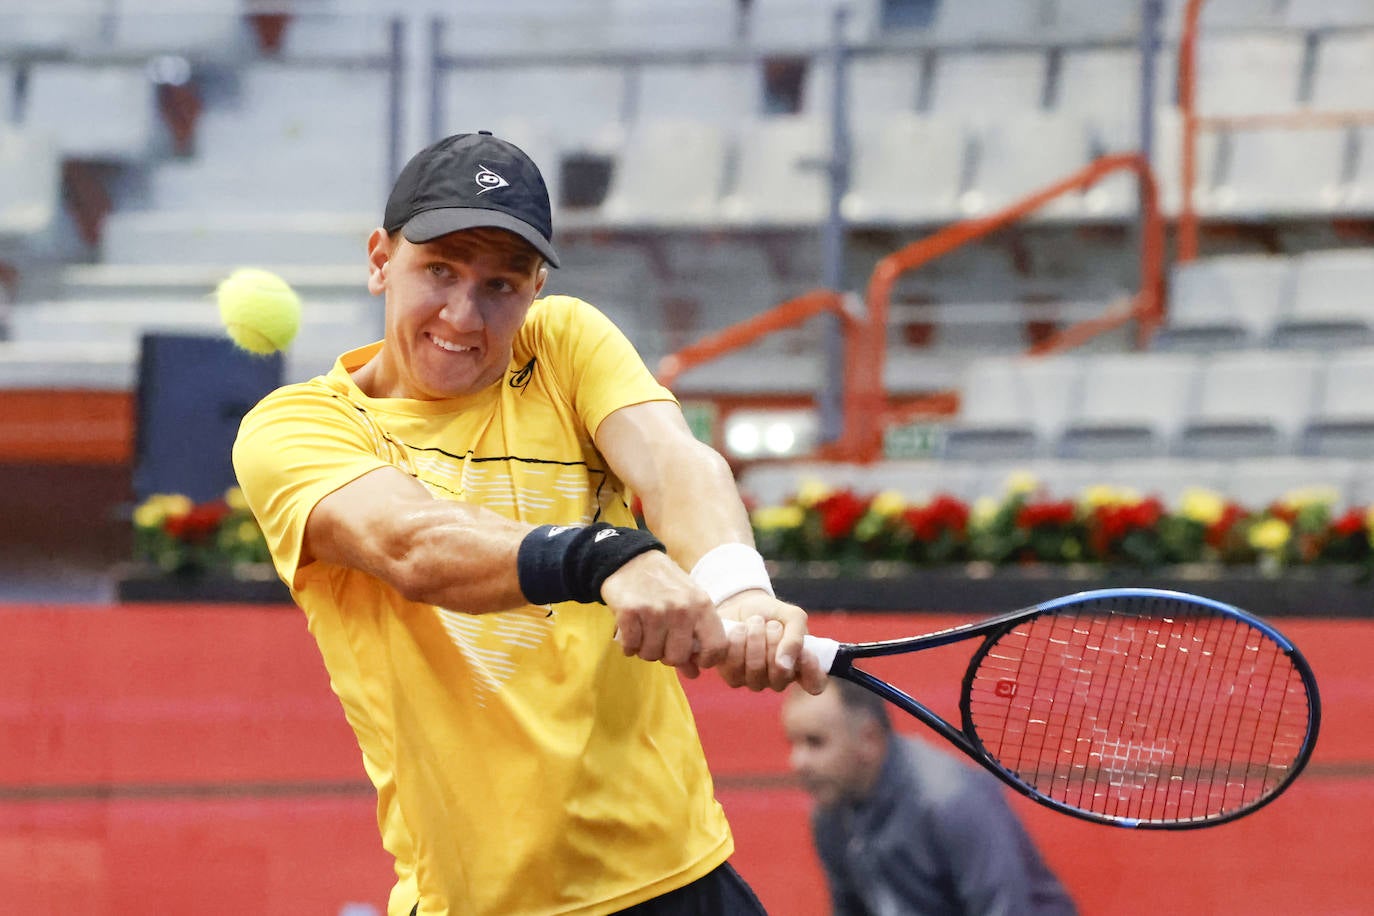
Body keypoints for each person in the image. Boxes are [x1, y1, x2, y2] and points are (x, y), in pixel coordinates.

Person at [232, 131, 826, 916]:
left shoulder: (563, 343)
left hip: (678, 881)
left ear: (536, 289)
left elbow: (675, 464)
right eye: (438, 270)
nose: (461, 313)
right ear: (381, 258)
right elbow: (411, 544)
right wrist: (609, 556)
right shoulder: (297, 428)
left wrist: (739, 590)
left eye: (500, 286)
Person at [781, 679, 1077, 916]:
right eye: (793, 743)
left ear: (869, 740)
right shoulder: (830, 815)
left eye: (815, 742)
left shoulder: (951, 800)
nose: (798, 761)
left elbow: (1005, 909)